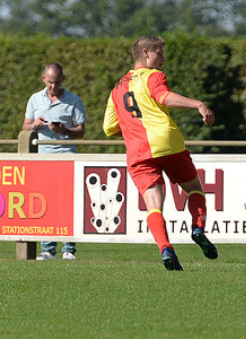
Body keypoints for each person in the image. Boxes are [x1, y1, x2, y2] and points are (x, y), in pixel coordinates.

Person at [103, 35, 218, 271]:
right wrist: (198, 104)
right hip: (166, 143)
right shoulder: (153, 76)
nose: (163, 59)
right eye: (159, 53)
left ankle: (166, 248)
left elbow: (109, 128)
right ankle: (197, 228)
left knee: (153, 203)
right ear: (146, 53)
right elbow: (163, 96)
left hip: (137, 151)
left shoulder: (116, 89)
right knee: (194, 188)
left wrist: (133, 126)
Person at [23, 63, 86, 261]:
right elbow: (25, 126)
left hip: (67, 156)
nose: (53, 87)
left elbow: (81, 131)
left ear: (63, 81)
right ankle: (48, 249)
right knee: (45, 204)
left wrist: (64, 130)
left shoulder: (74, 100)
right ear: (43, 79)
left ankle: (68, 249)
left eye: (57, 83)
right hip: (43, 158)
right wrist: (35, 124)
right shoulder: (35, 99)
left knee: (67, 203)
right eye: (50, 82)